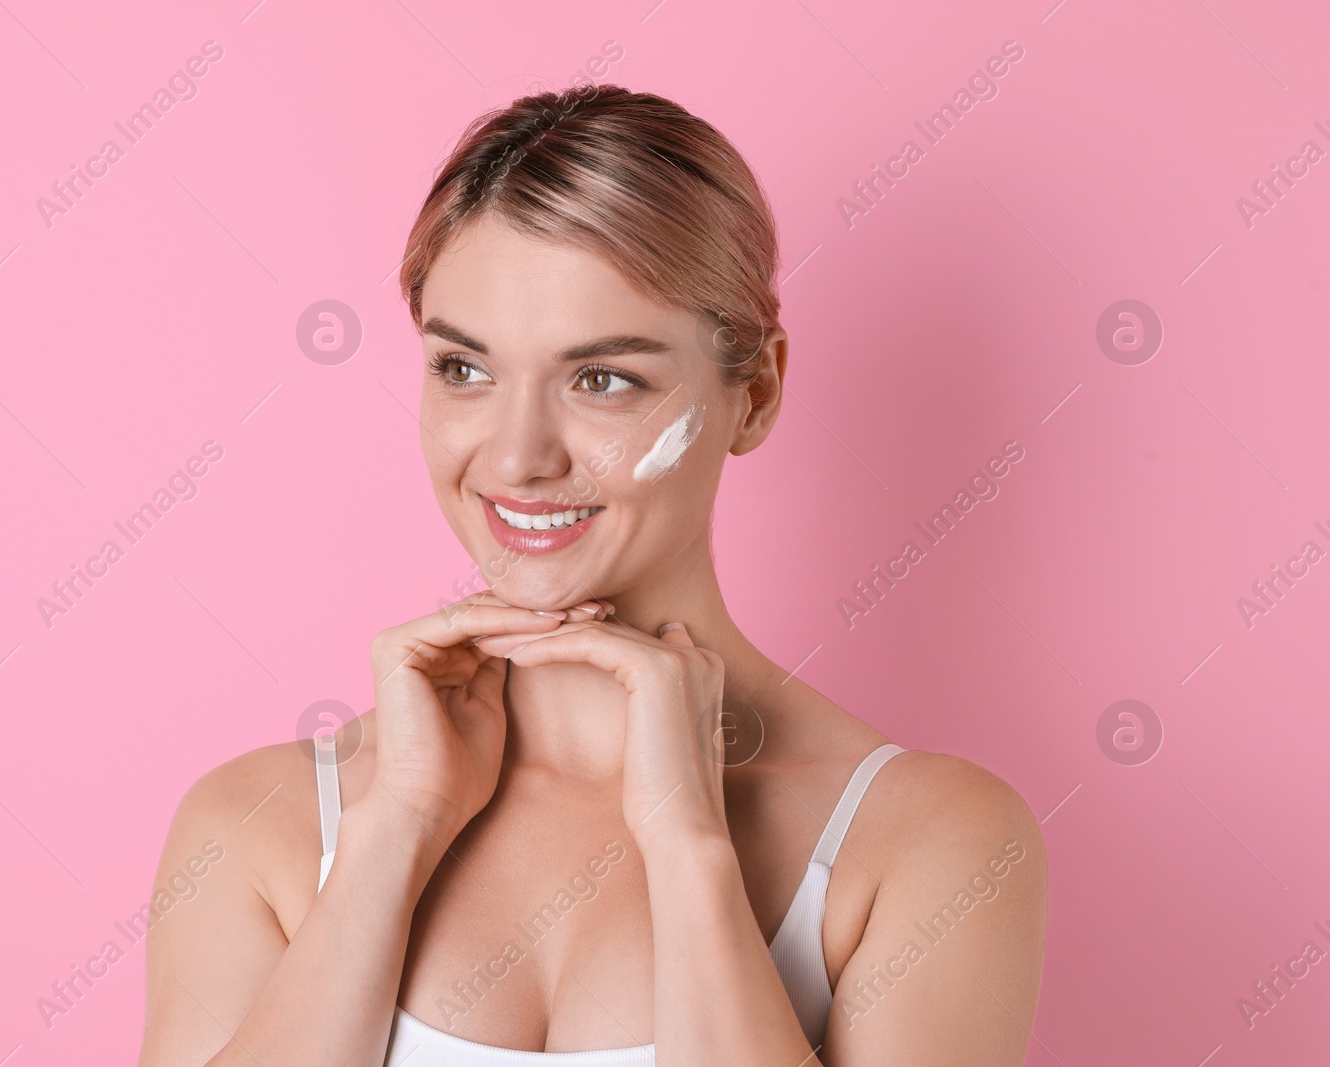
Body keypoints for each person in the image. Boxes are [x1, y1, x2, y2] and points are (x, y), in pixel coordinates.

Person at [136, 84, 1046, 1067]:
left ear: (757, 393)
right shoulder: (256, 828)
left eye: (602, 379)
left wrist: (688, 843)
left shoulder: (928, 842)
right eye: (464, 370)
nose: (517, 456)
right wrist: (392, 831)